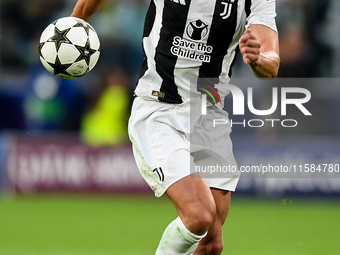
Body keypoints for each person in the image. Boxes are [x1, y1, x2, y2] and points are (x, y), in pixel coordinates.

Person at [71, 0, 280, 254]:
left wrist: (259, 59)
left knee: (212, 243)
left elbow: (272, 61)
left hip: (208, 115)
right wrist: (75, 24)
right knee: (199, 214)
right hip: (158, 108)